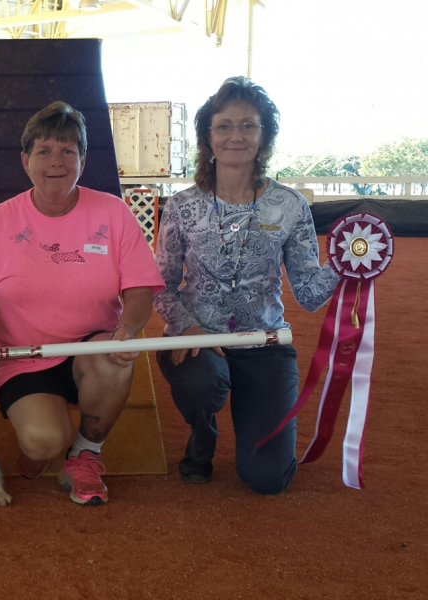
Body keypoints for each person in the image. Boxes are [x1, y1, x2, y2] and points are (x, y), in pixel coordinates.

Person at [0, 101, 164, 506]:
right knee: (43, 443)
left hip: (91, 351)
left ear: (83, 160)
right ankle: (42, 449)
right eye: (44, 151)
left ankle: (85, 454)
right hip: (21, 358)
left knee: (114, 357)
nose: (56, 161)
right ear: (25, 160)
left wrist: (127, 330)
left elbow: (139, 291)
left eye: (68, 151)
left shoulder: (114, 214)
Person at [153, 76, 340, 495]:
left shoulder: (290, 205)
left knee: (267, 479)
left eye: (248, 125)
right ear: (207, 136)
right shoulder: (182, 205)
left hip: (265, 343)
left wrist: (346, 264)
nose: (235, 135)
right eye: (224, 126)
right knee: (205, 382)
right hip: (197, 342)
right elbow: (159, 283)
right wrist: (187, 326)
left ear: (264, 135)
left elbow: (309, 293)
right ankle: (202, 439)